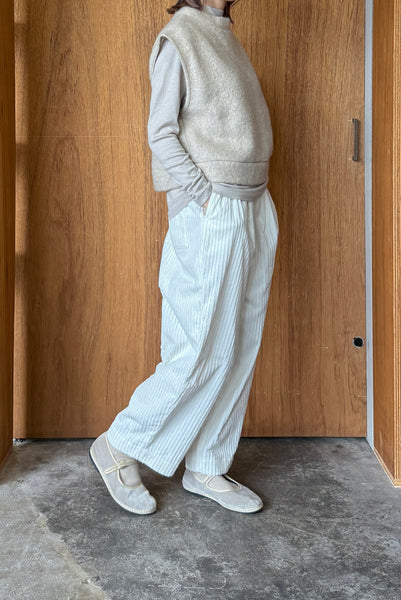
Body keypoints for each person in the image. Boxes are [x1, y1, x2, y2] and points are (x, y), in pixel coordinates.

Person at [89, 0, 279, 515]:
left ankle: (207, 464)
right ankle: (119, 444)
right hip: (214, 208)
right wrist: (203, 194)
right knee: (198, 347)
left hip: (254, 202)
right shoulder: (180, 37)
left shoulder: (224, 33)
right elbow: (160, 132)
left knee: (239, 344)